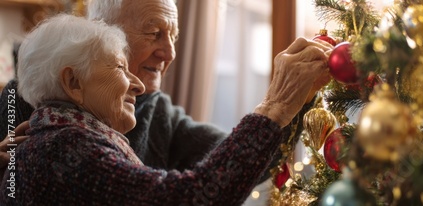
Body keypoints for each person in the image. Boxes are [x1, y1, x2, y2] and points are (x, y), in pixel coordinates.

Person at [1, 14, 328, 205]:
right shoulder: (64, 147)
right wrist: (274, 105)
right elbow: (198, 195)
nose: (138, 85)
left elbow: (232, 165)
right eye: (119, 67)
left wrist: (294, 101)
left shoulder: (54, 135)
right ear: (73, 83)